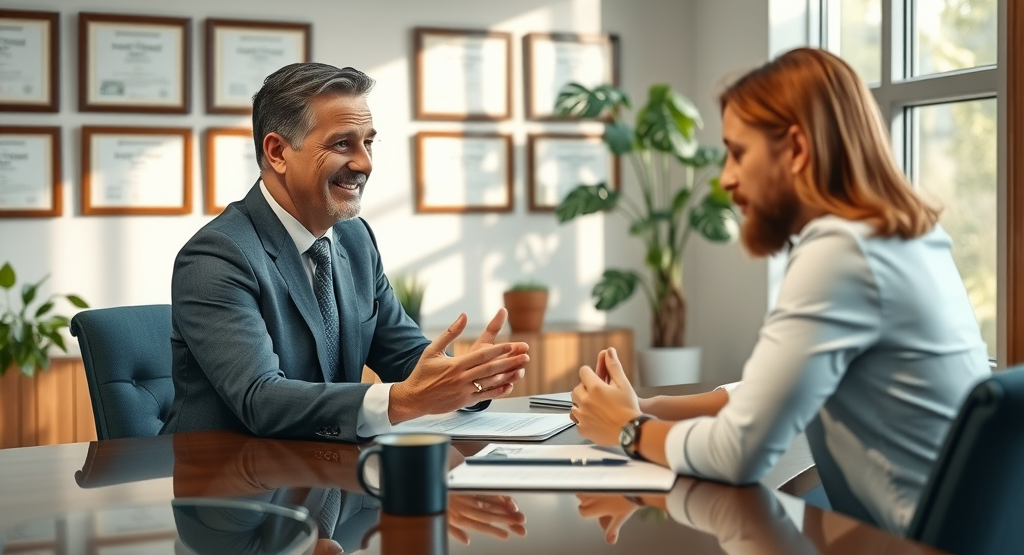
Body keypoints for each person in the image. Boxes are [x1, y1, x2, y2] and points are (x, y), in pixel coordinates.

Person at [569, 47, 990, 536]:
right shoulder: (901, 239)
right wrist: (650, 407)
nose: (726, 178)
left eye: (738, 152)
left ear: (796, 149)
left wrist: (630, 430)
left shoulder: (841, 251)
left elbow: (738, 455)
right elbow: (786, 385)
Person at [161, 63, 529, 442]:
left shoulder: (354, 239)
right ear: (277, 152)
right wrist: (404, 401)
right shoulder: (217, 256)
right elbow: (261, 399)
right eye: (342, 144)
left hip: (327, 473)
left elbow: (404, 357)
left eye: (368, 142)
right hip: (230, 481)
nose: (365, 163)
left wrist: (466, 381)